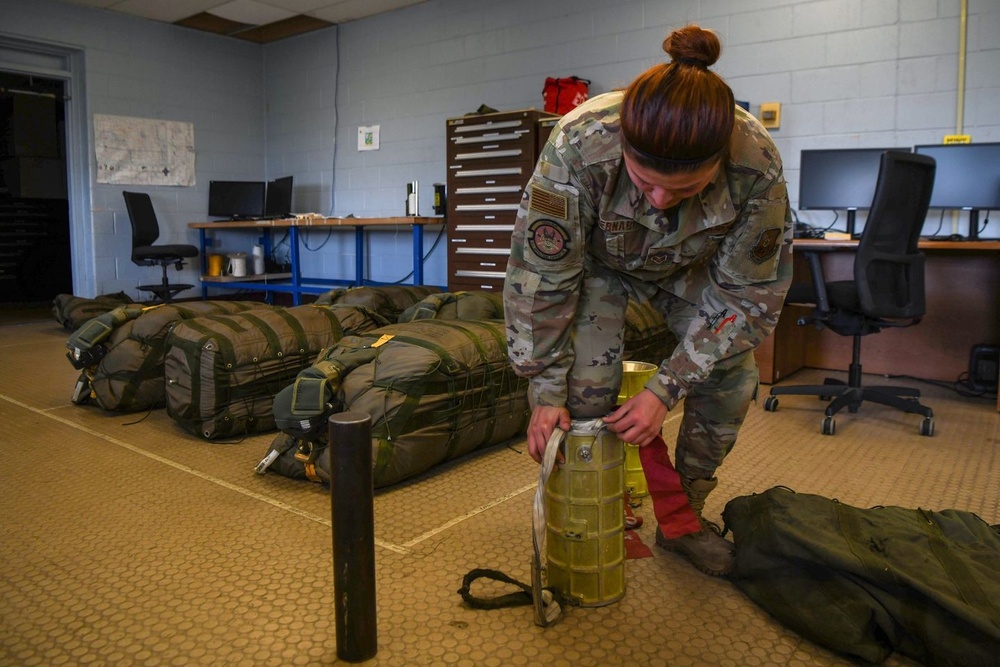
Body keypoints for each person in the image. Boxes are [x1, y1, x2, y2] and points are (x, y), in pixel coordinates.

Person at [503, 24, 792, 576]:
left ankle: (683, 520)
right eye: (644, 181)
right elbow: (541, 275)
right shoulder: (579, 143)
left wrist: (667, 388)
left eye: (682, 191)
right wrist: (543, 388)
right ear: (624, 150)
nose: (659, 200)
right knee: (581, 392)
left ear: (717, 162)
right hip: (598, 267)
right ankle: (590, 507)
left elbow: (747, 294)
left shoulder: (756, 163)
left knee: (731, 374)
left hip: (692, 271)